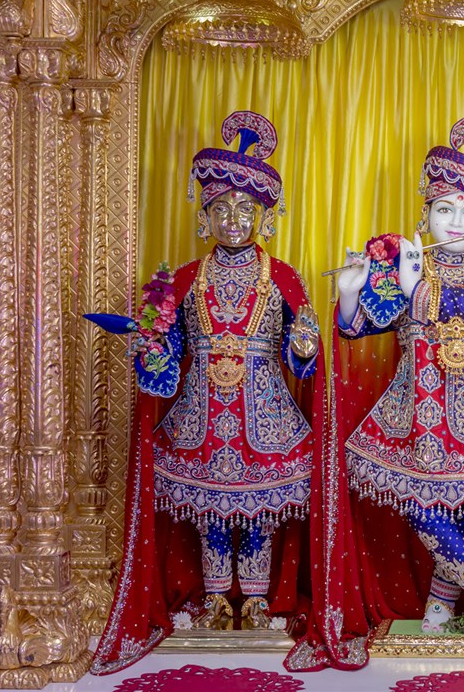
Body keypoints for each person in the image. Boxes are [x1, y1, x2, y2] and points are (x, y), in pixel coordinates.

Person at [287, 117, 464, 672]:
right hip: (413, 409)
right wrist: (350, 293)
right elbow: (358, 329)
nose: (456, 223)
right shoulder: (403, 267)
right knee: (425, 506)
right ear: (425, 215)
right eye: (445, 209)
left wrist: (415, 287)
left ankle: (445, 603)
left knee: (461, 507)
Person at [92, 111, 326, 674]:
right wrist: (152, 348)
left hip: (266, 412)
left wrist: (303, 345)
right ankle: (218, 598)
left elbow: (306, 359)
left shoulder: (283, 277)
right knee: (211, 514)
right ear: (203, 217)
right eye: (220, 209)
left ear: (265, 217)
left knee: (261, 512)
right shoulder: (185, 278)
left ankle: (258, 599)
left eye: (245, 210)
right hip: (201, 411)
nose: (233, 220)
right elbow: (167, 351)